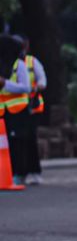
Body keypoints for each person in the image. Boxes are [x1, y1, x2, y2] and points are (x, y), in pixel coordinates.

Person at [0, 35, 31, 186]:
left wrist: (5, 83)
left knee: (17, 143)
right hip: (2, 112)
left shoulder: (19, 65)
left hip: (17, 111)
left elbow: (26, 87)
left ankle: (19, 173)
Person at [19, 36, 46, 184]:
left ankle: (34, 171)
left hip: (32, 107)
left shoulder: (32, 62)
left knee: (30, 138)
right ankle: (19, 172)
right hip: (13, 108)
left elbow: (42, 81)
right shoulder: (7, 62)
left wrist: (36, 87)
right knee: (17, 141)